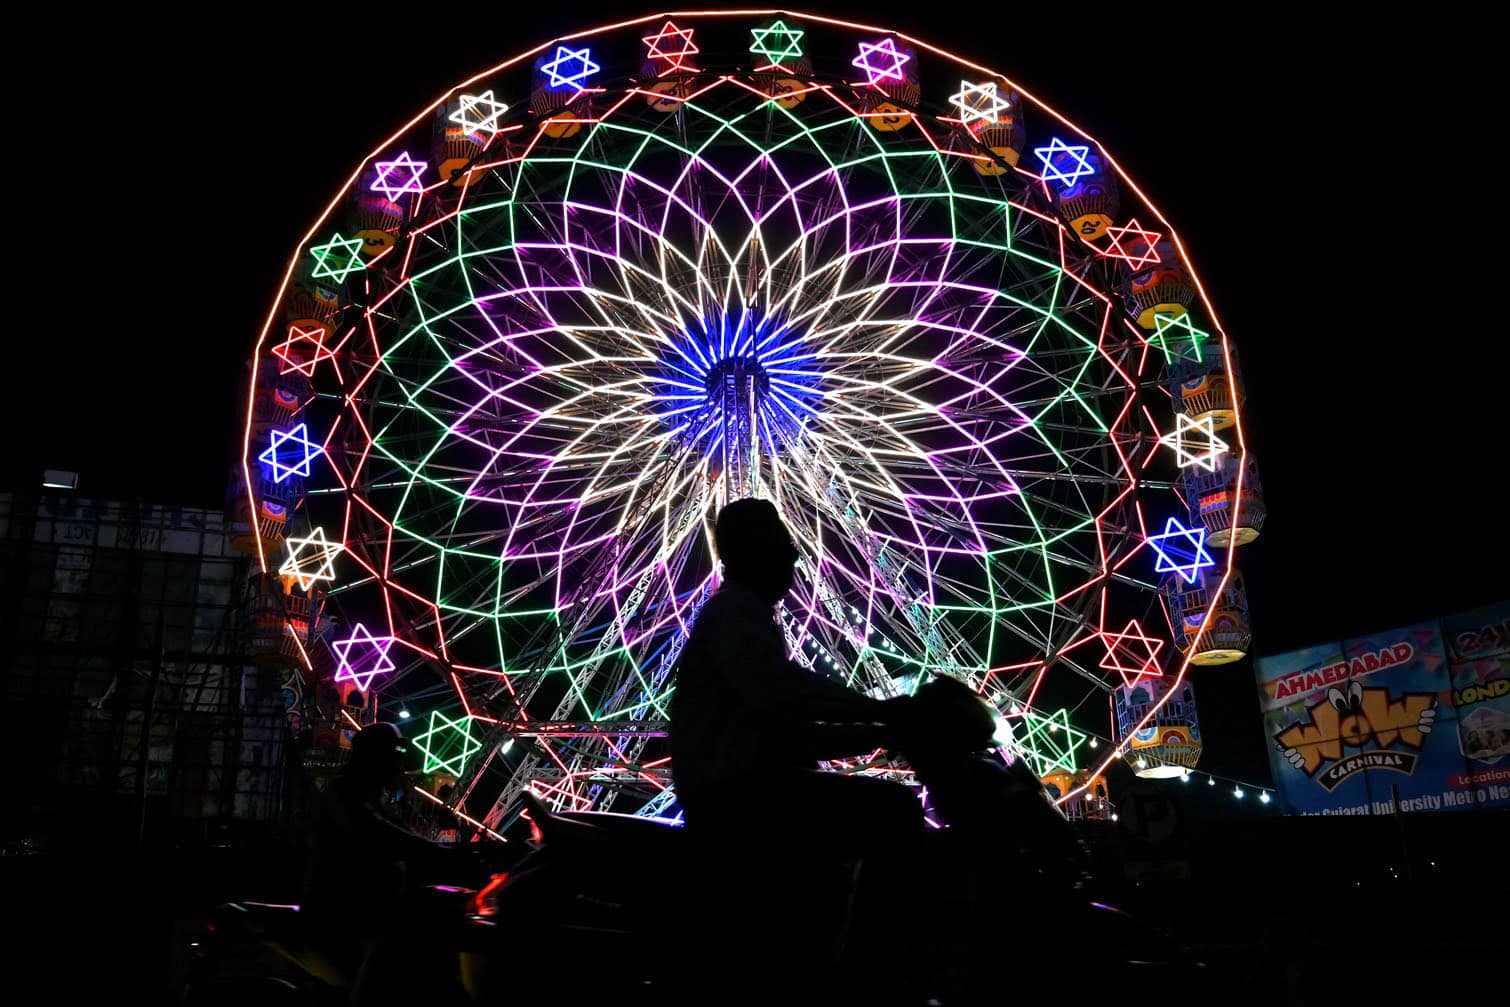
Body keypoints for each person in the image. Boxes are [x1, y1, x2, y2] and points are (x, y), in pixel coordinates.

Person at [669, 497, 924, 849]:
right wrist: (877, 710)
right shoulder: (732, 613)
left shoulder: (744, 616)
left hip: (745, 788)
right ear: (753, 553)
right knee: (894, 808)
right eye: (782, 544)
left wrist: (880, 732)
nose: (793, 555)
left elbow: (794, 733)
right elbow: (785, 692)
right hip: (736, 798)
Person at [301, 722, 469, 1004]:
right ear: (375, 757)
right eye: (394, 756)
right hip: (346, 909)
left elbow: (403, 834)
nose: (399, 765)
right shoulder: (345, 792)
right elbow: (377, 832)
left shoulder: (375, 797)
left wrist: (451, 852)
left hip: (375, 906)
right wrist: (434, 850)